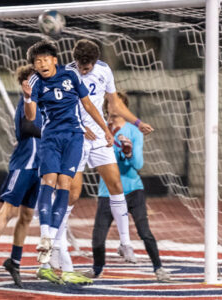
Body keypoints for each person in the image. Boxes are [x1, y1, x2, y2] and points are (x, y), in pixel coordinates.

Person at [48, 39, 154, 281]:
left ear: (94, 62)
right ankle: (55, 244)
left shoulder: (104, 70)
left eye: (87, 67)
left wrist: (136, 122)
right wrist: (79, 125)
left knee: (116, 183)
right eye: (81, 67)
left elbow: (113, 103)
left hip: (98, 135)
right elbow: (59, 107)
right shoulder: (65, 74)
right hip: (75, 135)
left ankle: (125, 243)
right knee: (72, 193)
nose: (84, 71)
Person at [24, 40, 113, 284]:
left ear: (54, 60)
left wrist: (105, 128)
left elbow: (87, 104)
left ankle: (50, 243)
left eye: (44, 59)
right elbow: (31, 117)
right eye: (37, 61)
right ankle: (45, 237)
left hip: (74, 136)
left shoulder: (71, 74)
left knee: (65, 184)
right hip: (51, 137)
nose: (41, 64)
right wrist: (27, 98)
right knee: (49, 181)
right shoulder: (34, 82)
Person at [86, 92, 170, 281]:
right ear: (106, 107)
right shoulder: (100, 129)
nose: (114, 108)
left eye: (119, 105)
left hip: (132, 189)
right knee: (98, 236)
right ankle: (97, 269)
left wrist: (129, 152)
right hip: (107, 191)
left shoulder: (134, 131)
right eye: (112, 105)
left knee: (144, 231)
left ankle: (158, 268)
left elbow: (138, 165)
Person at [0, 65, 42, 288]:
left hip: (40, 167)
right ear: (26, 83)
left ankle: (14, 261)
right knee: (8, 211)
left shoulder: (44, 103)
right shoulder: (27, 103)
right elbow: (29, 128)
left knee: (27, 216)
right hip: (24, 165)